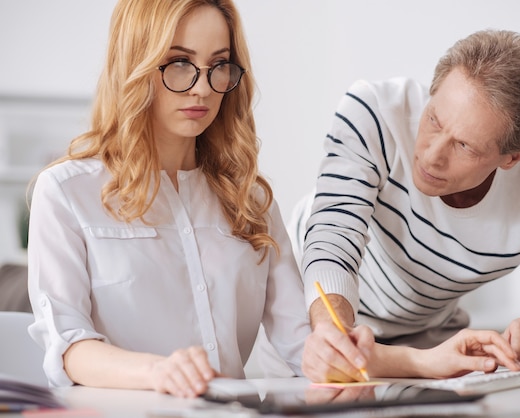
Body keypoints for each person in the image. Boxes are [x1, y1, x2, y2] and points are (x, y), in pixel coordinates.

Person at [26, 0, 311, 398]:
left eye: (219, 65)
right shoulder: (66, 192)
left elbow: (301, 344)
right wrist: (159, 372)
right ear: (136, 63)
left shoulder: (252, 199)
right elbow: (69, 345)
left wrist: (338, 350)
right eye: (179, 62)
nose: (202, 86)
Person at [291, 29, 520, 383]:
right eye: (433, 120)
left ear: (513, 157)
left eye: (464, 146)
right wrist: (332, 333)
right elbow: (334, 237)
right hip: (312, 309)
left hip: (427, 337)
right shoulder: (374, 112)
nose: (431, 155)